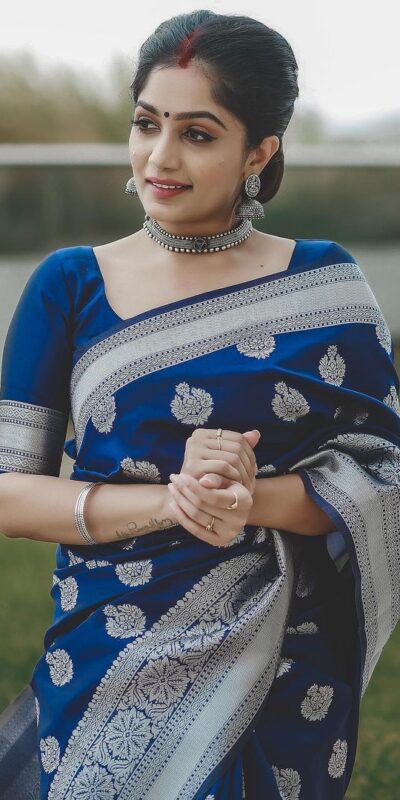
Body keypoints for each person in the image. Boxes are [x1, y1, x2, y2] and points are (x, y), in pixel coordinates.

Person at [0, 9, 399, 800]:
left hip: (286, 661)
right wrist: (173, 504)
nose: (161, 156)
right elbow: (9, 492)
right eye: (147, 123)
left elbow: (384, 476)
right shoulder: (70, 284)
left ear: (259, 152)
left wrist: (249, 496)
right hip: (110, 645)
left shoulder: (324, 285)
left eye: (198, 134)